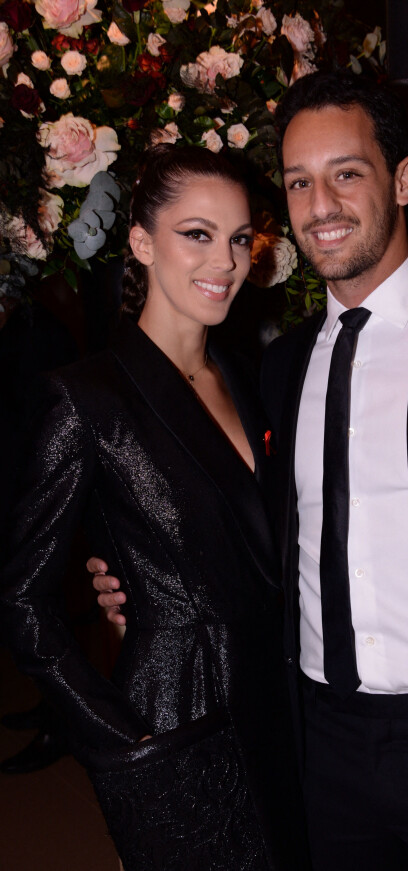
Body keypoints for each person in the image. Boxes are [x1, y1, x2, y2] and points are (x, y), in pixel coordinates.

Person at [92, 72, 408, 870]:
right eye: (298, 181)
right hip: (320, 750)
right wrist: (146, 581)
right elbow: (251, 535)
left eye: (346, 173)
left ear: (405, 178)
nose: (320, 204)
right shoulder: (276, 370)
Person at [1, 144, 308, 871]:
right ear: (142, 242)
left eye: (238, 239)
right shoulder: (86, 398)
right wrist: (115, 735)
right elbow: (20, 598)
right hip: (176, 724)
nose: (225, 262)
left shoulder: (246, 372)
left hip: (283, 710)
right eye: (196, 234)